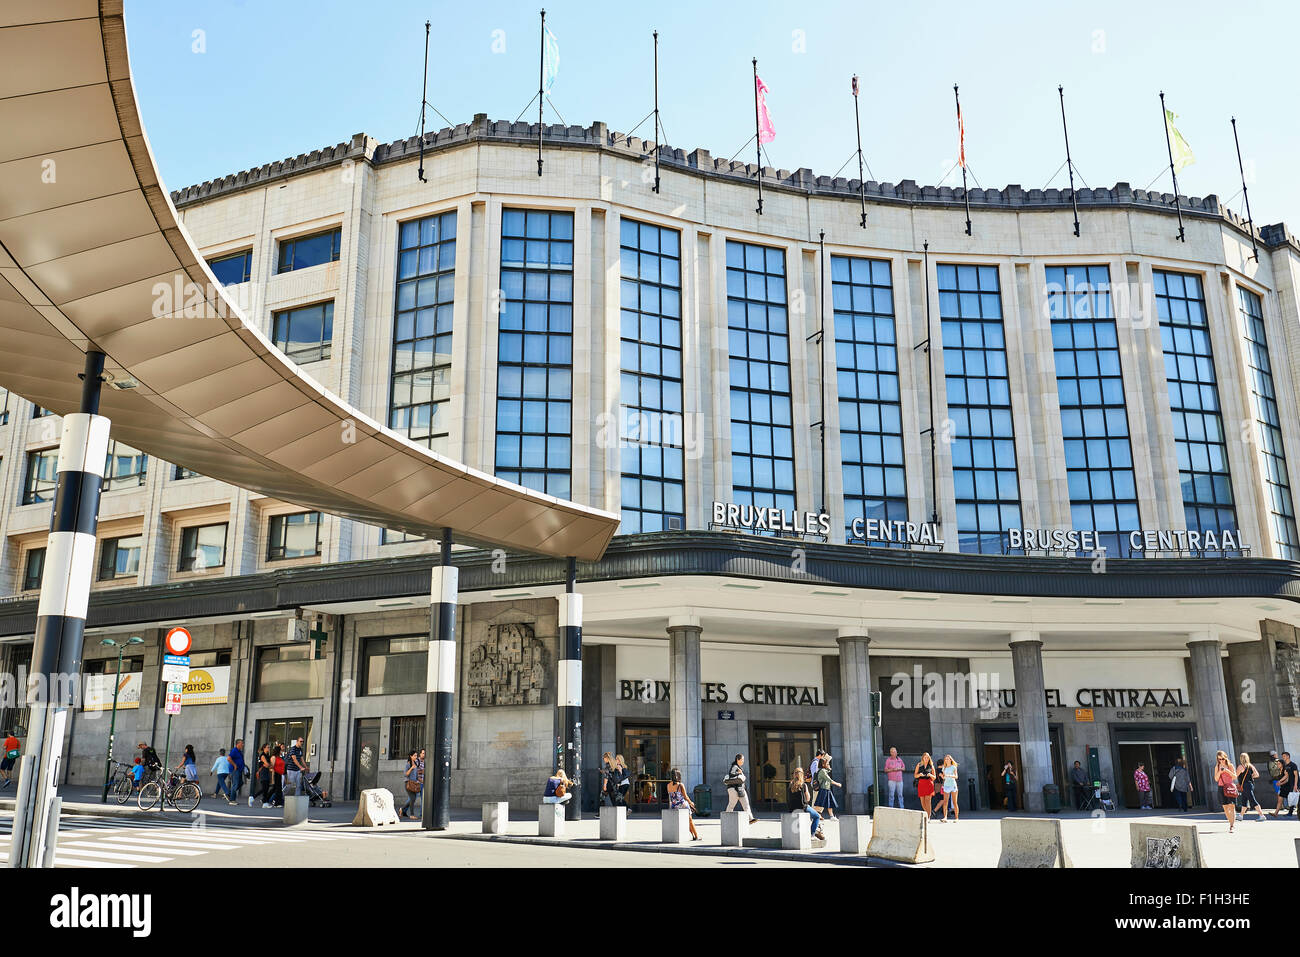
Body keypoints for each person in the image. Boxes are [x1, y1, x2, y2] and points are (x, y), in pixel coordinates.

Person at [787, 768, 824, 840]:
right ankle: (812, 834)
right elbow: (808, 798)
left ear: (794, 774)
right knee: (817, 816)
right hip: (802, 807)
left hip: (792, 808)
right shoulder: (803, 785)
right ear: (802, 775)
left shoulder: (790, 785)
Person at [667, 768, 702, 841]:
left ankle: (693, 835)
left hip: (674, 806)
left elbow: (671, 798)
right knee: (690, 821)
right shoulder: (680, 785)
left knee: (687, 821)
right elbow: (686, 797)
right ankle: (696, 836)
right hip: (682, 805)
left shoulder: (668, 785)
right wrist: (691, 803)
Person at [723, 753, 758, 824]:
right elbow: (731, 773)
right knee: (732, 804)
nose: (743, 761)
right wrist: (738, 773)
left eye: (743, 760)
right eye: (742, 759)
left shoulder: (738, 767)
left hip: (740, 789)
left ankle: (750, 818)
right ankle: (727, 819)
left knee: (746, 804)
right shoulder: (734, 766)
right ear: (737, 760)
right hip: (733, 789)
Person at [1236, 752, 1265, 822]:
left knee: (1252, 800)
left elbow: (1235, 775)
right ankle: (1241, 816)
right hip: (1250, 785)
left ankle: (1261, 815)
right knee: (1244, 800)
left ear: (1241, 759)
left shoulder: (1240, 767)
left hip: (1245, 785)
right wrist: (1251, 776)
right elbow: (1257, 775)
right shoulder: (1250, 766)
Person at [1213, 751, 1238, 832]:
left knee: (1232, 806)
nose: (1221, 761)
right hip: (1221, 788)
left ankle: (1232, 825)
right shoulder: (1217, 766)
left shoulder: (1230, 765)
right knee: (1225, 808)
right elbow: (1216, 779)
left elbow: (1234, 777)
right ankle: (1230, 822)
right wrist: (1220, 771)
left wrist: (1227, 771)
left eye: (1223, 759)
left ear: (1225, 757)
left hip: (1230, 787)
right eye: (1219, 759)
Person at [400, 749, 422, 819]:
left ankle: (402, 809)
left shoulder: (415, 764)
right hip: (408, 783)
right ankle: (412, 815)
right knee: (412, 798)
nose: (416, 757)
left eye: (416, 755)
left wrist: (421, 780)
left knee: (413, 799)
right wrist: (411, 768)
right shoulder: (408, 764)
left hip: (414, 784)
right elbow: (405, 774)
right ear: (411, 756)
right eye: (414, 756)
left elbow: (416, 776)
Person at [914, 752, 936, 816]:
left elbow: (934, 777)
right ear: (923, 758)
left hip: (929, 783)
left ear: (929, 758)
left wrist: (930, 775)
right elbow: (915, 775)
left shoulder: (931, 766)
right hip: (921, 784)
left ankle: (928, 816)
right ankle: (927, 813)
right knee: (923, 802)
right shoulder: (919, 765)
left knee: (928, 801)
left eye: (927, 757)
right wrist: (919, 775)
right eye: (925, 757)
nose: (926, 759)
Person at [939, 754, 959, 822]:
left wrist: (950, 775)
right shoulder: (944, 768)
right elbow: (944, 778)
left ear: (951, 760)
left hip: (953, 785)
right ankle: (945, 817)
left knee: (954, 802)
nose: (947, 760)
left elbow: (956, 776)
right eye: (946, 759)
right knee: (945, 802)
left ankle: (956, 818)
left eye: (948, 759)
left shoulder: (953, 767)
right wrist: (942, 776)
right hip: (946, 785)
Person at [1279, 752, 1298, 817]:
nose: (1283, 757)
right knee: (1292, 797)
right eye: (1282, 756)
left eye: (1284, 756)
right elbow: (1286, 776)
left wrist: (1296, 785)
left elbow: (1296, 775)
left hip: (1296, 783)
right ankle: (1290, 813)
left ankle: (1290, 813)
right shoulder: (1286, 766)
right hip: (1290, 784)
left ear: (1288, 756)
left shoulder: (1293, 765)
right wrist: (1280, 781)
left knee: (1295, 797)